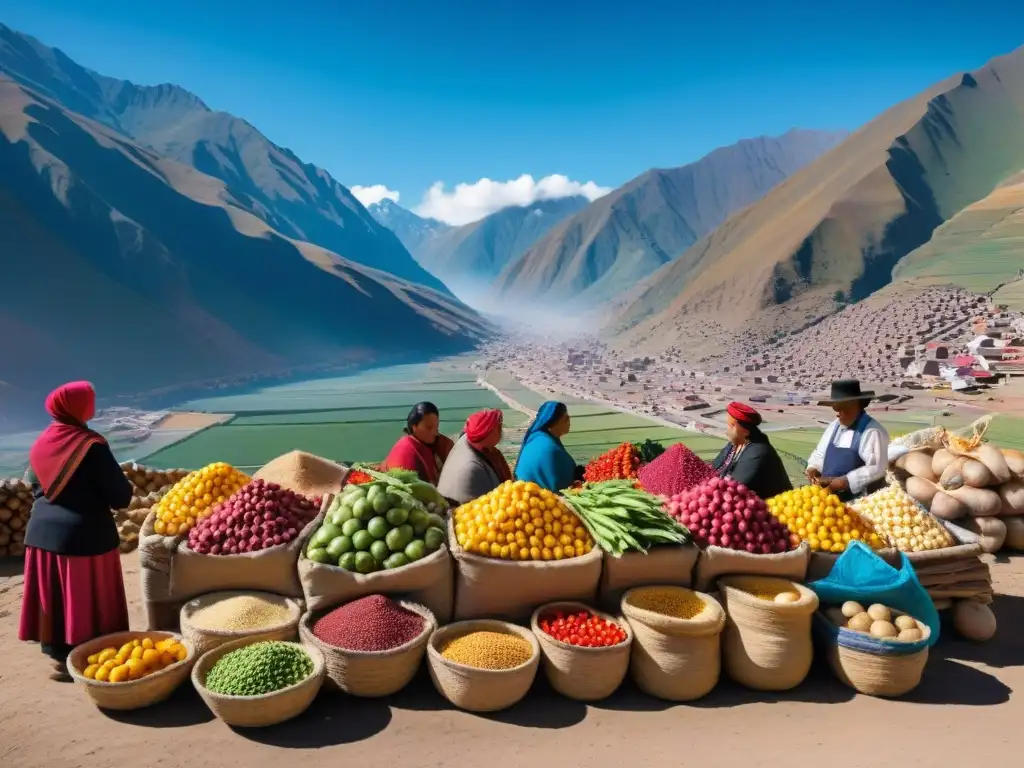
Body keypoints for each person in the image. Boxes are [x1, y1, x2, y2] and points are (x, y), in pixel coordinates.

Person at [18, 382, 134, 681]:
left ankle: (59, 658)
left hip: (41, 536)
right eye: (89, 400)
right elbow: (121, 496)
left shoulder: (42, 442)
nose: (92, 404)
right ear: (78, 407)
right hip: (84, 538)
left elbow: (33, 485)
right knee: (85, 601)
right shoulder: (90, 446)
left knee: (56, 600)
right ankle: (90, 658)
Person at [805, 379, 890, 503]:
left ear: (856, 406)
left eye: (842, 408)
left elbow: (876, 468)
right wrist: (813, 468)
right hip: (826, 499)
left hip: (858, 502)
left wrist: (845, 482)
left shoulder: (872, 431)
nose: (838, 414)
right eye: (836, 408)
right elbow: (820, 453)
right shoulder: (834, 427)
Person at [711, 401, 792, 499]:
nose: (727, 430)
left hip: (769, 508)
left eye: (731, 426)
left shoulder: (758, 452)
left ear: (745, 431)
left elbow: (735, 487)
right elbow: (713, 469)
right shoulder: (734, 446)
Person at [437, 409, 513, 505]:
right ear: (489, 432)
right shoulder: (473, 467)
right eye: (499, 427)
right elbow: (492, 505)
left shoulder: (470, 441)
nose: (501, 431)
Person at [381, 401, 454, 485]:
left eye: (436, 427)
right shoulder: (406, 450)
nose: (435, 432)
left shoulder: (440, 443)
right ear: (414, 426)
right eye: (429, 428)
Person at [513, 401, 579, 492]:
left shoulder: (537, 437)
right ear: (555, 421)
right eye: (566, 418)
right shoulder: (550, 447)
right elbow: (562, 483)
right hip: (537, 498)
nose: (569, 421)